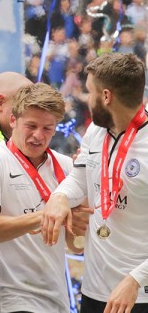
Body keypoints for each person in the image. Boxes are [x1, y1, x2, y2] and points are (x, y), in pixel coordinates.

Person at [42, 53, 148, 313]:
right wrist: (60, 197)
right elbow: (79, 178)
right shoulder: (96, 130)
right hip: (94, 288)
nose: (87, 100)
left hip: (137, 294)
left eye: (90, 93)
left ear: (107, 96)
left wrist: (137, 280)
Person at [0, 83, 80, 313]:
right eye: (30, 126)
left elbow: (76, 245)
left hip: (56, 299)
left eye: (47, 128)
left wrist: (80, 222)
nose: (38, 136)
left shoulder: (66, 166)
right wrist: (45, 216)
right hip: (9, 298)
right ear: (13, 121)